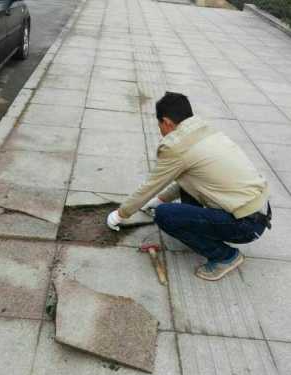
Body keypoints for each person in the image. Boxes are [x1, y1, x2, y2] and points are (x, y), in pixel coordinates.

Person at [107, 92, 271, 281]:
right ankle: (197, 230)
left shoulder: (176, 147)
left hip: (246, 225)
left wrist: (120, 214)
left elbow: (150, 185)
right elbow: (192, 179)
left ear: (167, 122)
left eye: (159, 124)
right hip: (258, 212)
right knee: (172, 201)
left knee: (164, 215)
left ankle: (225, 257)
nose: (160, 129)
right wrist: (160, 199)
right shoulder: (204, 131)